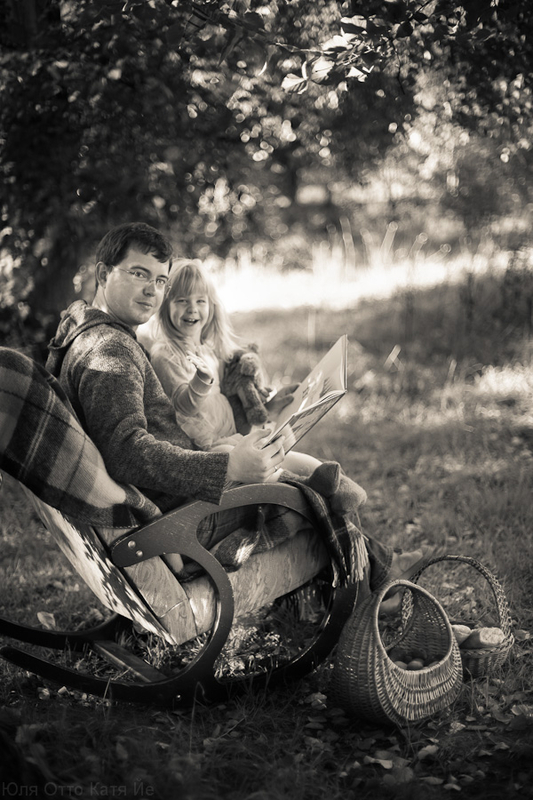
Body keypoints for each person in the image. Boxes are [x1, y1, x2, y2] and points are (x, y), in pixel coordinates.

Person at [45, 222, 429, 600]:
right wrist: (228, 468)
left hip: (175, 503)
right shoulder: (110, 350)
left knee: (305, 472)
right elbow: (127, 453)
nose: (152, 289)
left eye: (160, 280)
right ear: (103, 274)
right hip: (181, 521)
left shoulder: (86, 337)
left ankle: (375, 573)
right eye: (139, 274)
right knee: (316, 486)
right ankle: (379, 586)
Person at [139, 260, 354, 495]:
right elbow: (183, 407)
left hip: (230, 435)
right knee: (249, 460)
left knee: (287, 447)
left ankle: (342, 489)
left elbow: (229, 404)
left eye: (200, 301)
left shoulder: (208, 350)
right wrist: (201, 379)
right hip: (203, 450)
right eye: (182, 301)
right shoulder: (166, 354)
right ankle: (303, 487)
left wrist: (269, 408)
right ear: (165, 305)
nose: (192, 308)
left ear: (211, 306)